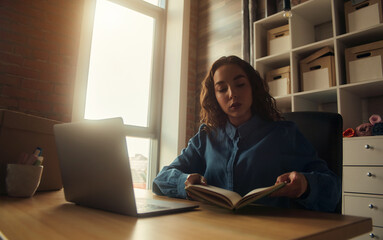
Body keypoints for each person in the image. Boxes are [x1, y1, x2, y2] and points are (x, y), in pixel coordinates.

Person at [152, 55, 341, 212]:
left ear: (253, 87)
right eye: (222, 89)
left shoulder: (284, 134)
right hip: (212, 229)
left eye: (240, 84)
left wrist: (306, 185)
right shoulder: (206, 137)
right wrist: (184, 182)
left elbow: (333, 188)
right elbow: (161, 179)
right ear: (215, 97)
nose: (232, 94)